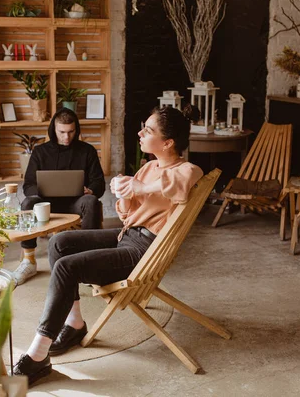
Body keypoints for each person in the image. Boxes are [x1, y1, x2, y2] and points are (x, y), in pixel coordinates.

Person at [13, 106, 203, 386]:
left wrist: (139, 189)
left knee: (67, 268)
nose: (140, 133)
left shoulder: (187, 169)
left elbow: (184, 180)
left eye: (148, 130)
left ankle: (38, 355)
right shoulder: (150, 166)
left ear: (168, 143)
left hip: (143, 251)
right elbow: (128, 215)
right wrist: (125, 194)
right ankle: (75, 324)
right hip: (127, 235)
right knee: (59, 242)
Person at [13, 108, 105, 285]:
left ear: (76, 130)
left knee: (91, 201)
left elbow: (99, 182)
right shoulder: (40, 152)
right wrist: (39, 192)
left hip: (76, 202)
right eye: (61, 132)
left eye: (71, 132)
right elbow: (28, 185)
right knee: (28, 202)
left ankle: (89, 261)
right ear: (53, 129)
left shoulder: (87, 151)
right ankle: (29, 261)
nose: (66, 137)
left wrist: (91, 190)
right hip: (46, 204)